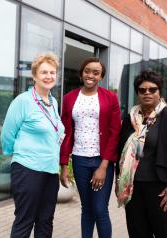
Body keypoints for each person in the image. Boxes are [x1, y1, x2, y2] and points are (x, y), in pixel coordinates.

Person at [116, 70, 167, 238]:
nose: (147, 93)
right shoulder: (130, 119)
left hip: (162, 188)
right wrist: (119, 178)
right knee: (138, 233)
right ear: (137, 93)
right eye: (142, 90)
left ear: (160, 92)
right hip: (134, 188)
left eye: (152, 89)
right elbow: (121, 150)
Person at [1, 52, 65, 238]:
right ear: (35, 75)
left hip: (50, 171)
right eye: (44, 72)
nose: (49, 76)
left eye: (52, 72)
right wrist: (18, 154)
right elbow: (7, 133)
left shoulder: (53, 102)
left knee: (45, 221)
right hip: (27, 169)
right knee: (25, 220)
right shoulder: (23, 101)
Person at [60, 57, 121, 238]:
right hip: (79, 160)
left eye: (96, 72)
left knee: (100, 209)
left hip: (102, 160)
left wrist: (103, 166)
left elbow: (115, 132)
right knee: (86, 209)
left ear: (101, 76)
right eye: (87, 71)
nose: (90, 75)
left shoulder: (110, 98)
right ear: (81, 73)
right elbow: (65, 133)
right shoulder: (69, 98)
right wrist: (64, 166)